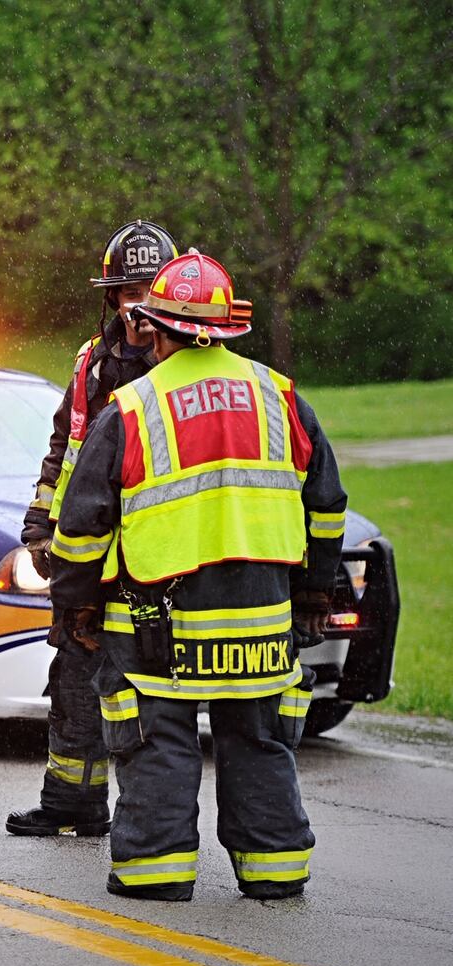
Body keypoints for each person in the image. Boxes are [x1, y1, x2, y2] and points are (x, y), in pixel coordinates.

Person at [50, 251, 346, 901]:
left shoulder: (133, 407)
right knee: (258, 741)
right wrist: (314, 593)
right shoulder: (282, 396)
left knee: (157, 743)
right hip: (261, 620)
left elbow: (82, 524)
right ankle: (274, 874)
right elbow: (326, 505)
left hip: (158, 623)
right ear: (226, 328)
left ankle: (157, 875)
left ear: (155, 327)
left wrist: (75, 607)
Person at [6, 220, 178, 838]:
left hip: (153, 560)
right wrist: (39, 520)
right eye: (125, 293)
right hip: (87, 553)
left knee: (139, 689)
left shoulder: (182, 368)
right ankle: (71, 803)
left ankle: (152, 821)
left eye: (148, 292)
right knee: (75, 676)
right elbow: (67, 447)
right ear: (109, 296)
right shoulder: (91, 361)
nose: (136, 306)